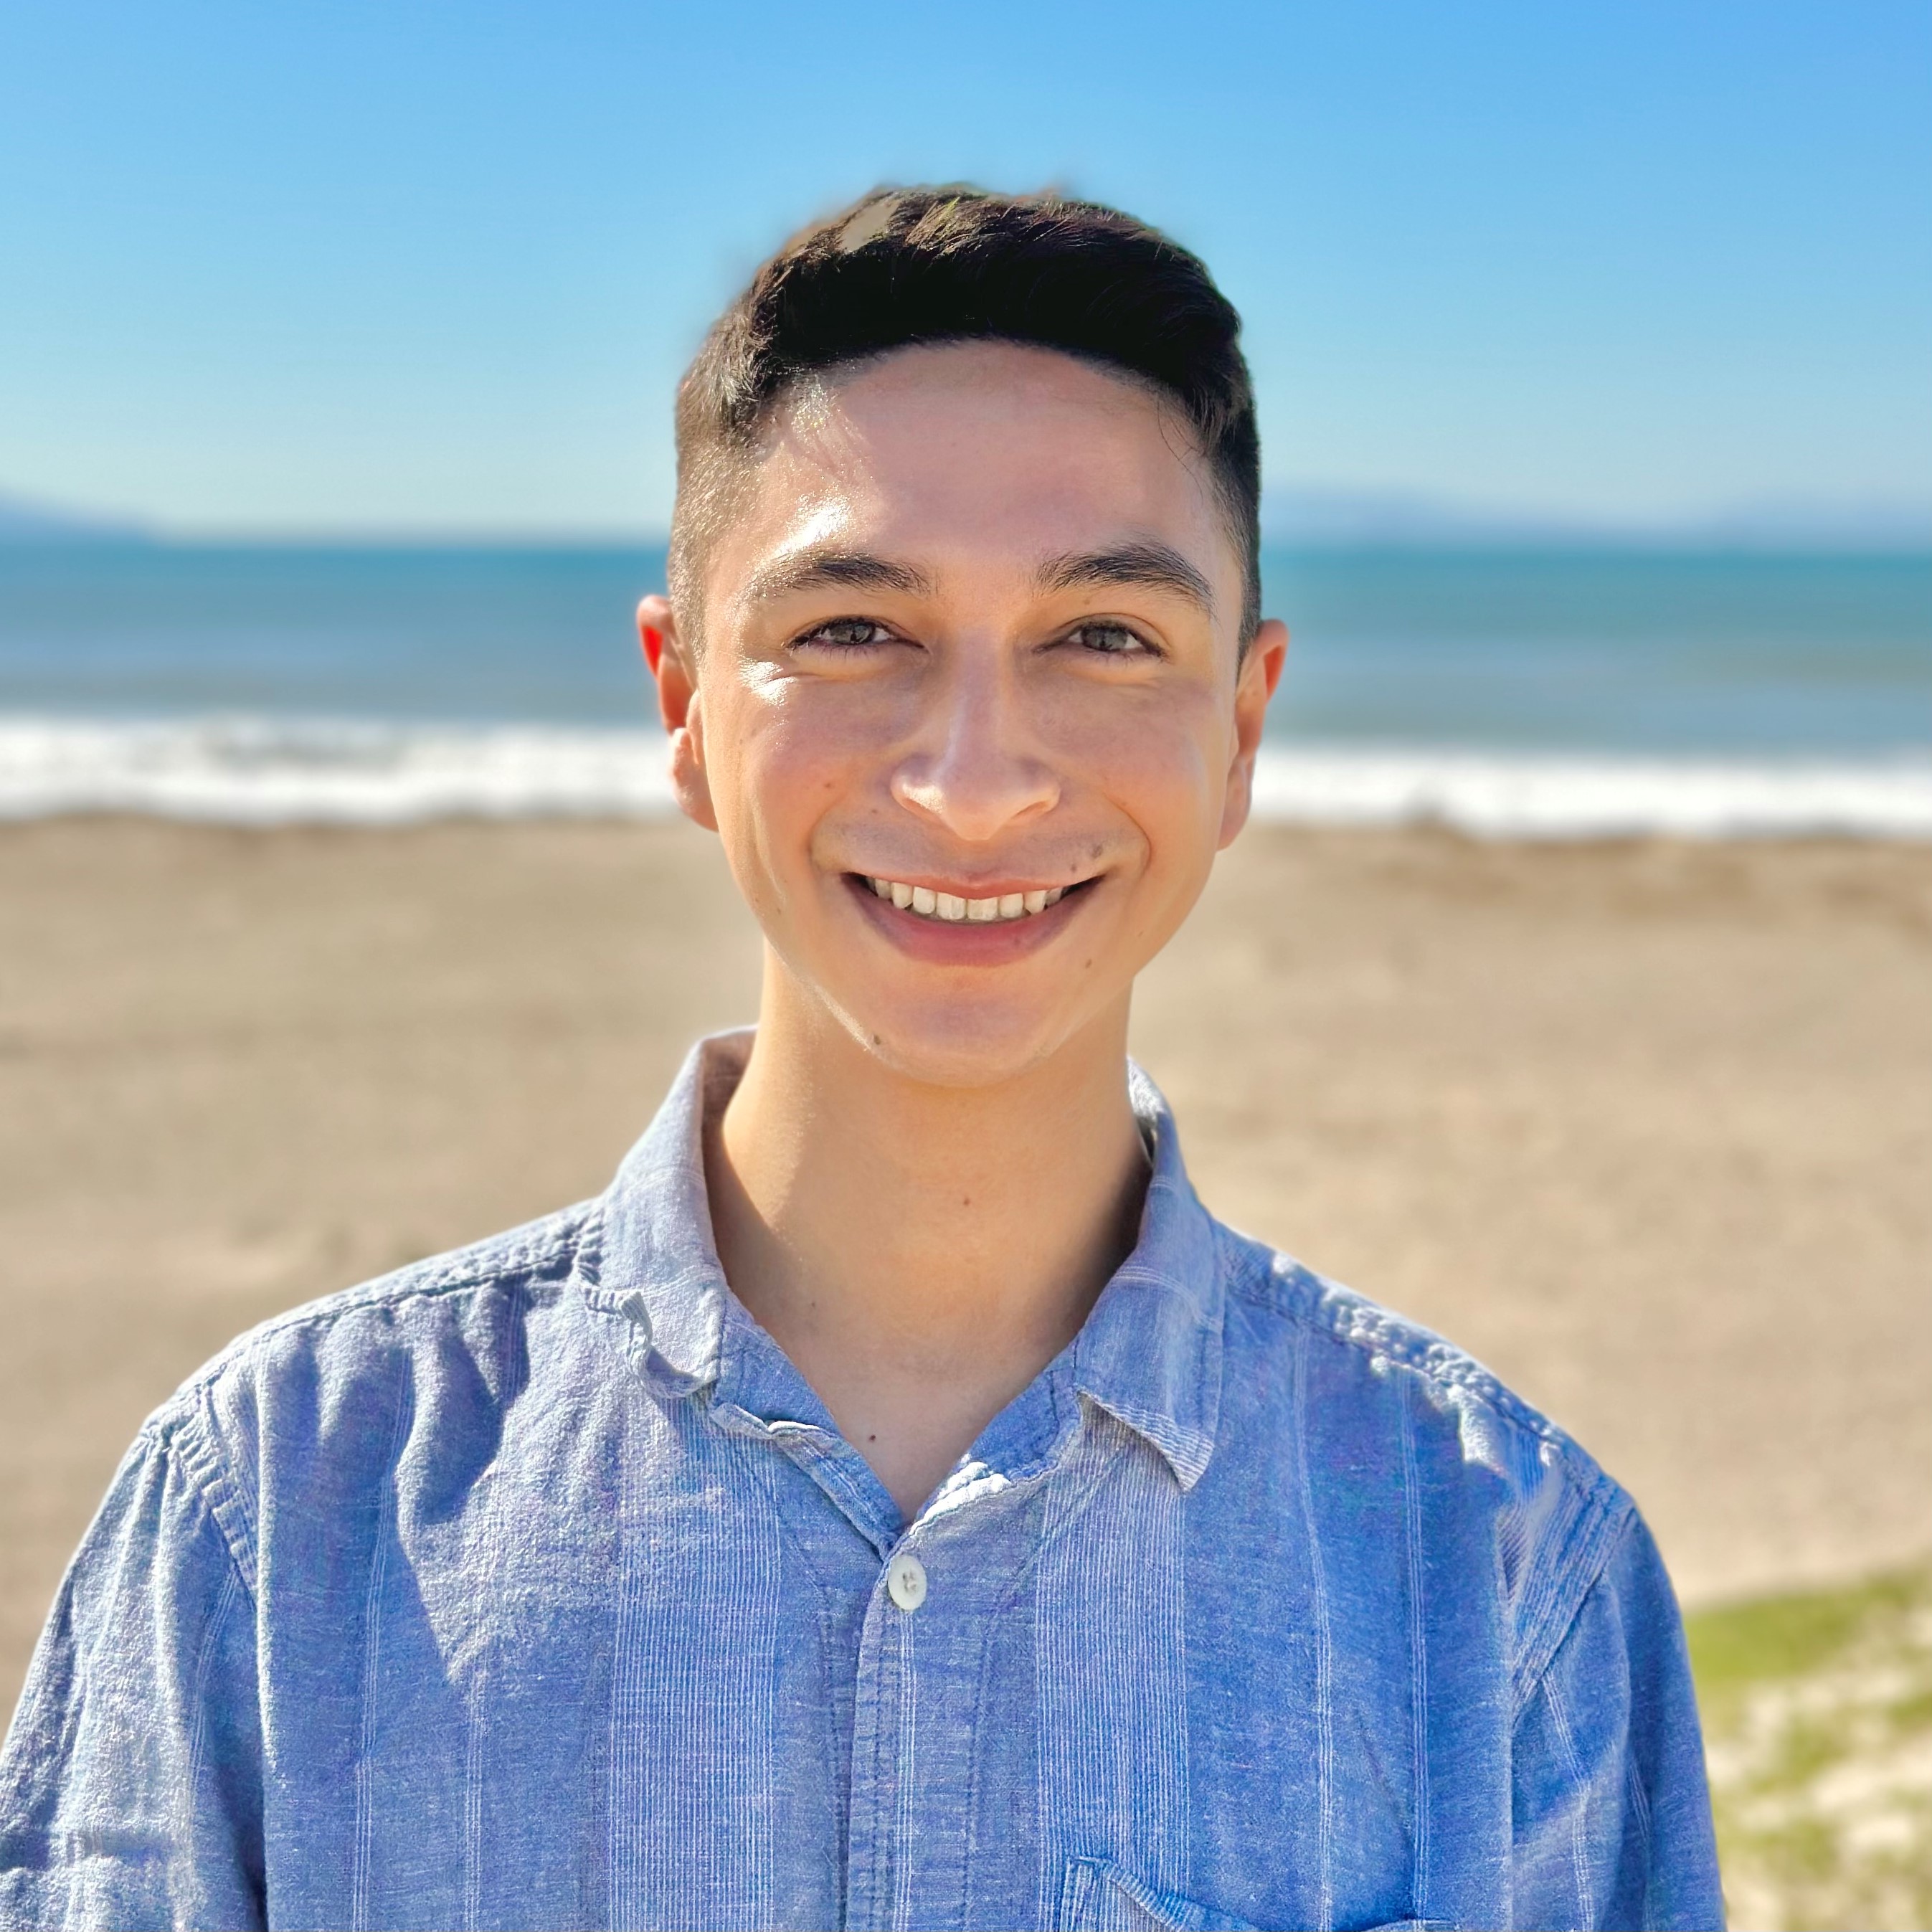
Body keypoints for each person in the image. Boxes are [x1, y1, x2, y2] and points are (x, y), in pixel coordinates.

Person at [0, 186, 1723, 1932]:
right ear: (683, 699)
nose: (975, 783)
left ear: (1242, 730)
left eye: (1106, 637)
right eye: (852, 630)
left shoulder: (1503, 1574)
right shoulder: (281, 1512)